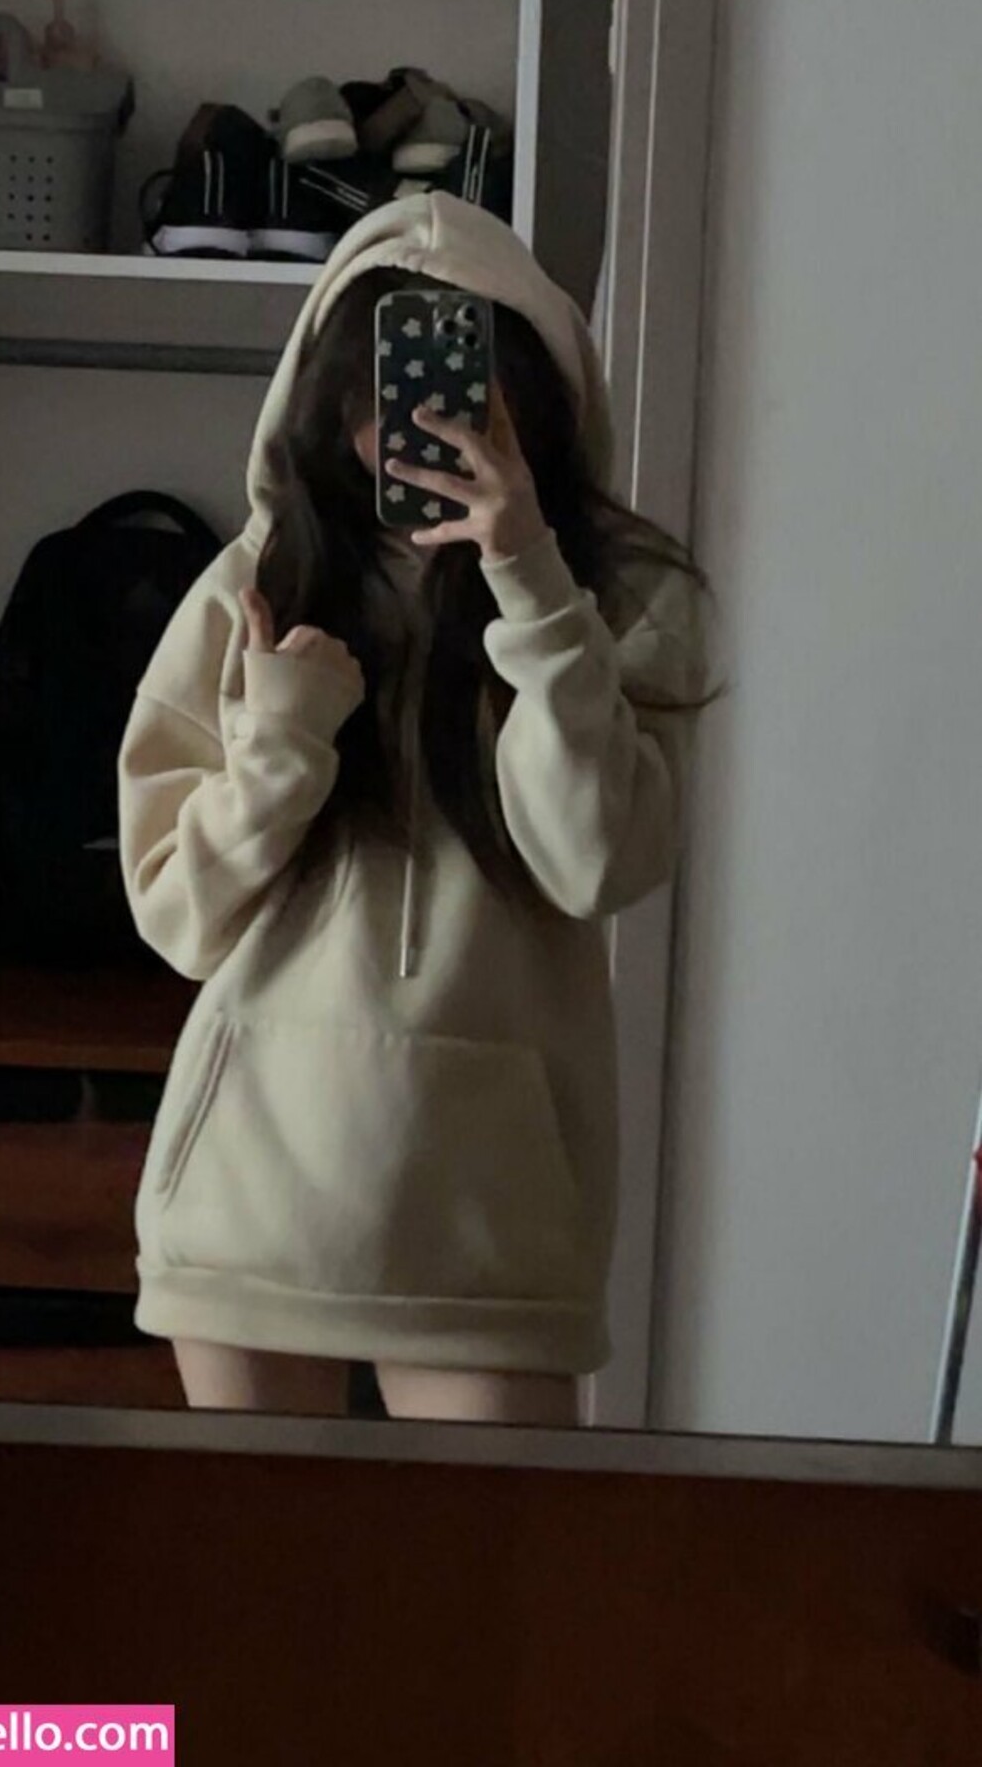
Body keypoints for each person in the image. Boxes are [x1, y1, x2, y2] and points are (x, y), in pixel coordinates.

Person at [118, 192, 708, 1425]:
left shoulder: (619, 601)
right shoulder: (256, 586)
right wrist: (283, 737)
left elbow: (597, 861)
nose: (411, 423)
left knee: (485, 1564)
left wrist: (530, 583)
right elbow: (180, 914)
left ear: (527, 401)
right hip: (249, 1208)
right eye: (380, 385)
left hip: (488, 1233)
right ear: (328, 395)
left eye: (457, 387)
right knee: (254, 1562)